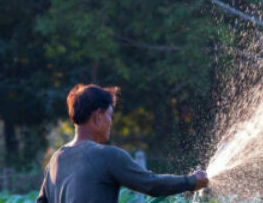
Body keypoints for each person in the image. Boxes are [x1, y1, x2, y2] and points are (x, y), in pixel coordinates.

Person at [37, 84, 208, 203]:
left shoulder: (55, 160)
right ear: (97, 116)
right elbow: (151, 184)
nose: (110, 123)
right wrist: (191, 181)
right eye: (109, 116)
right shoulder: (107, 156)